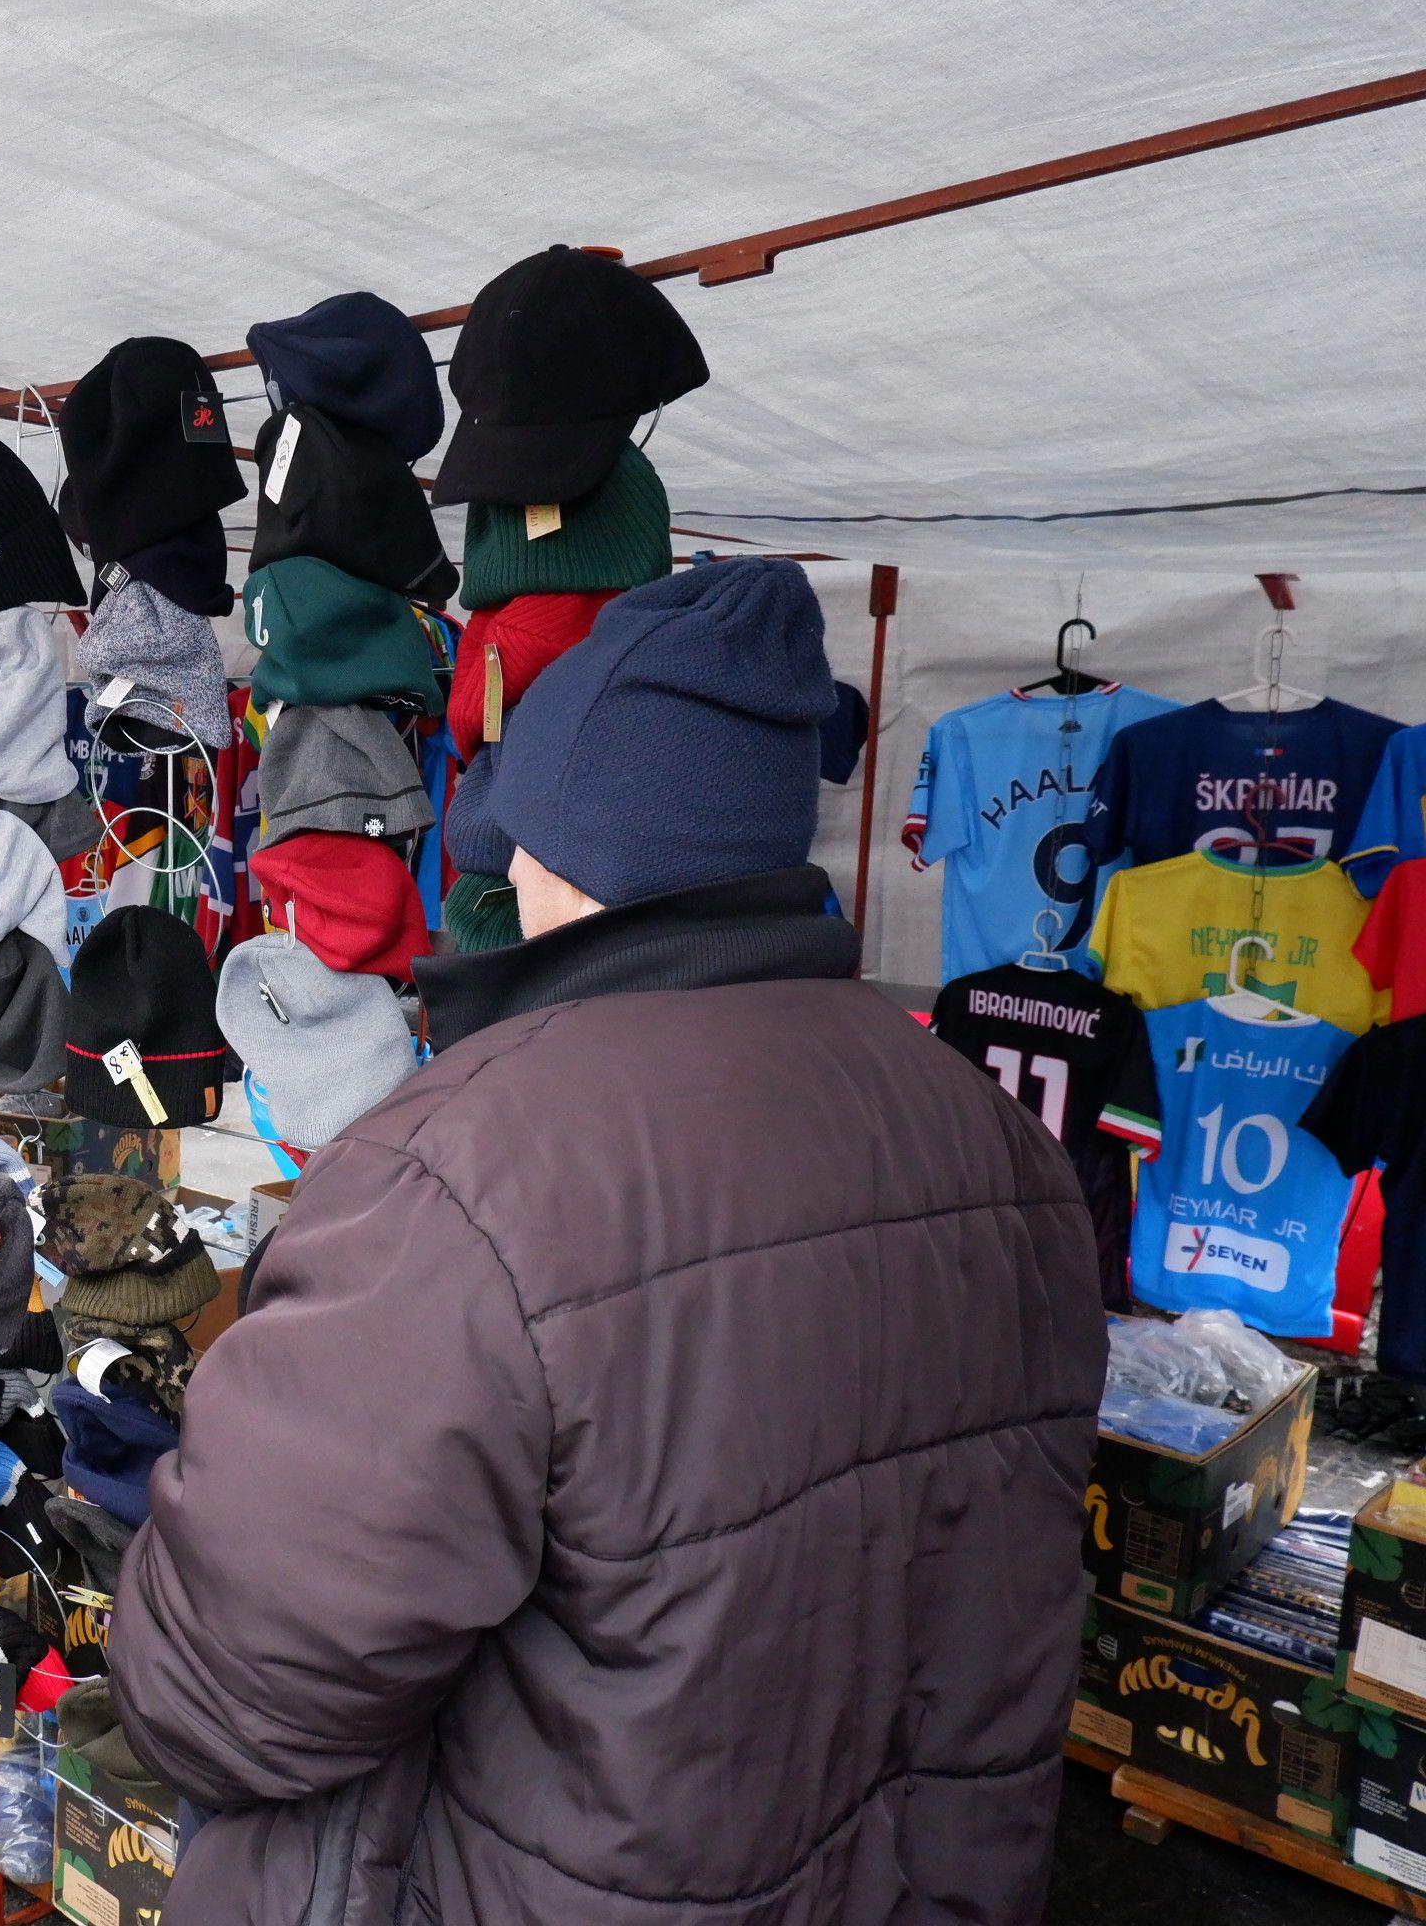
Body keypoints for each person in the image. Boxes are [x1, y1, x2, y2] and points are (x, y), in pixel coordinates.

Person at [110, 557, 1103, 1924]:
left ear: (569, 855)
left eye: (519, 837)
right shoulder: (995, 1139)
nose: (507, 868)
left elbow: (235, 1697)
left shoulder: (457, 1177)